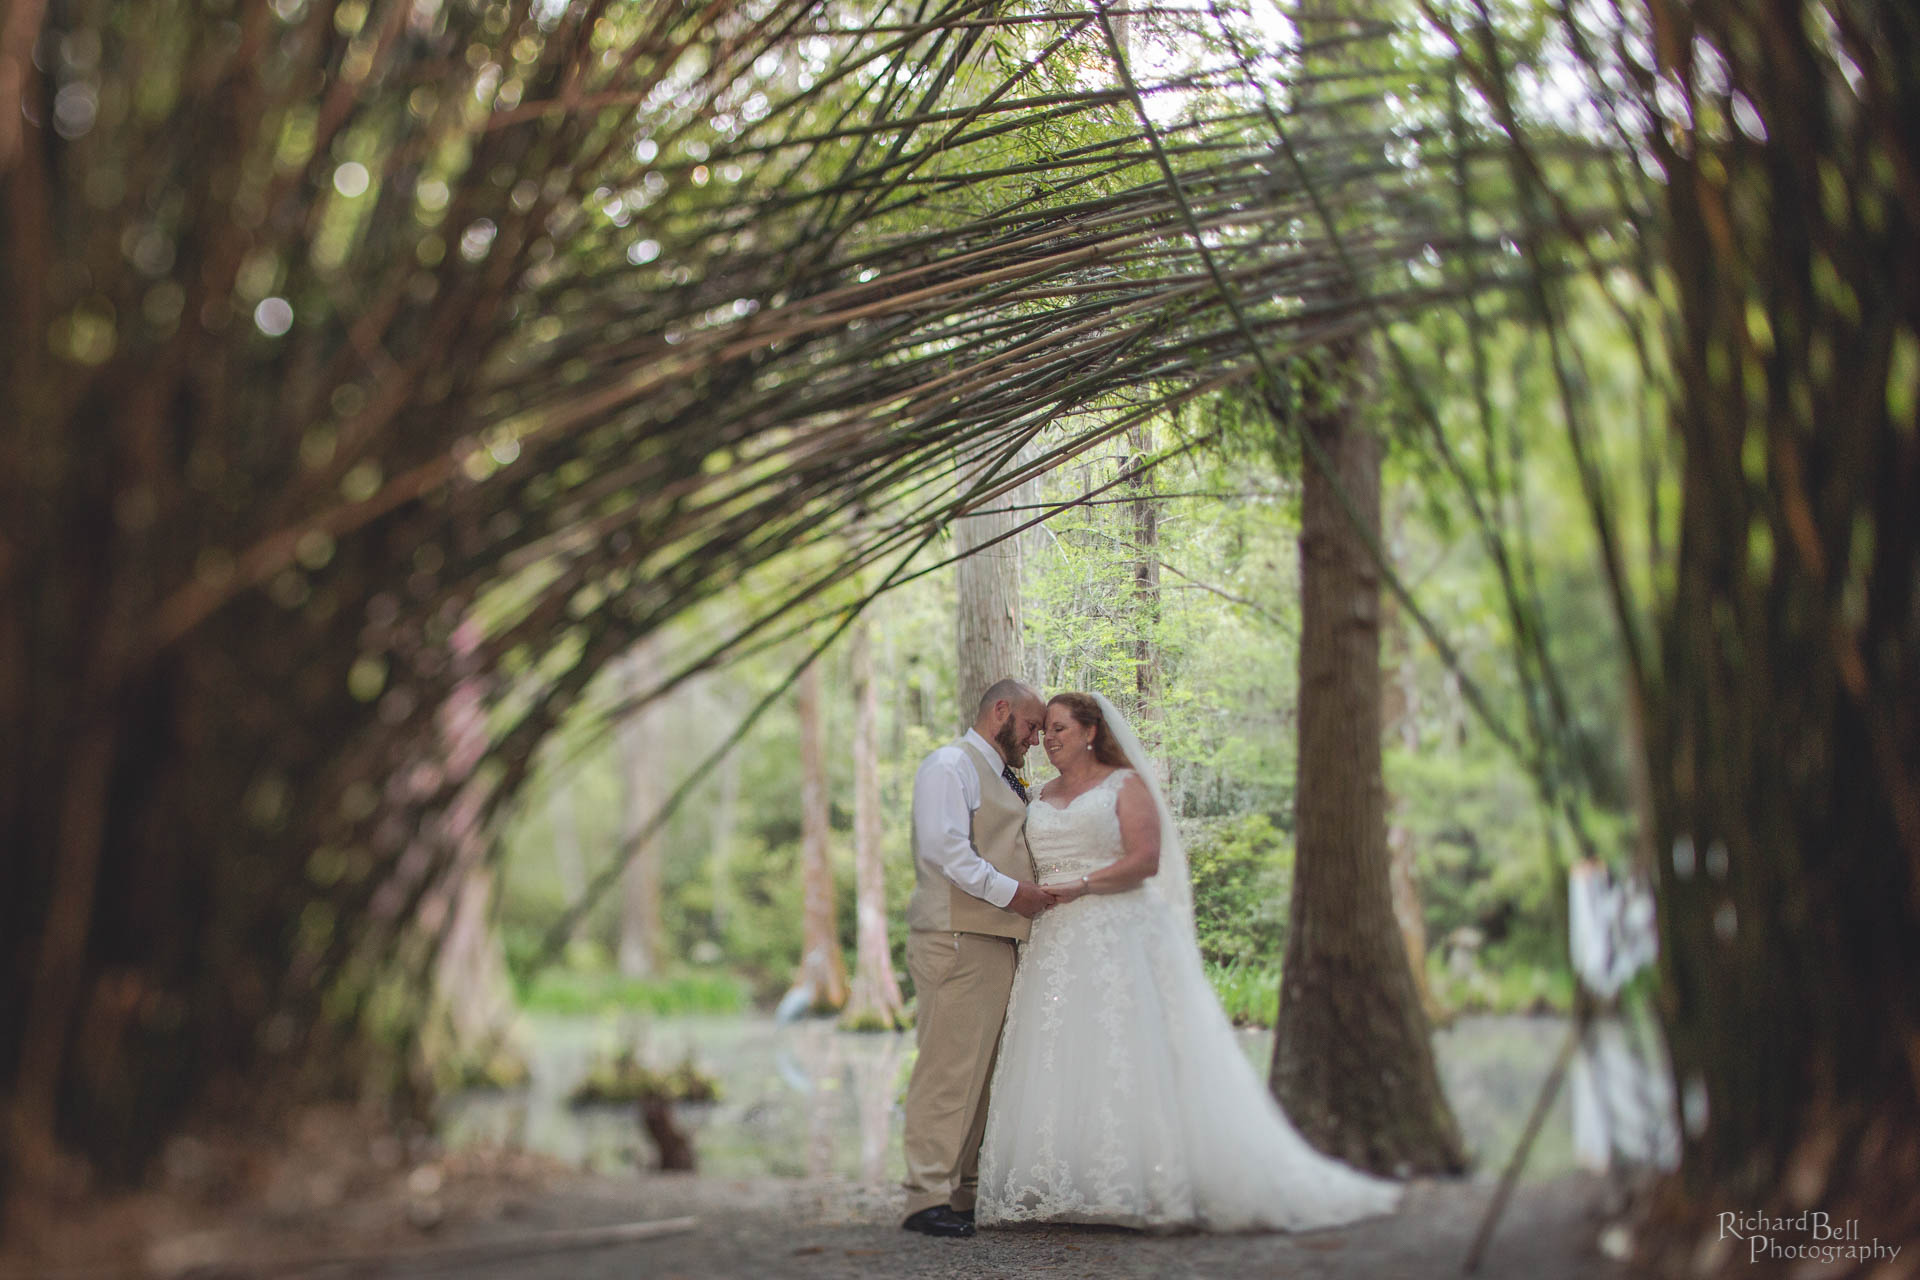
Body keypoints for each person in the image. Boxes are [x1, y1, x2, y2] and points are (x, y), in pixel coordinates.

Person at [977, 691, 1401, 1232]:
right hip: (1056, 943)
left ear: (1090, 731)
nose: (1049, 737)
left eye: (1060, 727)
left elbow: (1145, 861)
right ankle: (1068, 1181)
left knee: (1127, 1048)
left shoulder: (1124, 785)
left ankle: (1139, 1182)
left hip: (1118, 932)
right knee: (1064, 1051)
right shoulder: (1036, 795)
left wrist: (1083, 884)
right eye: (1046, 730)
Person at [899, 679, 1058, 1239]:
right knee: (948, 1069)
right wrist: (1013, 894)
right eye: (1033, 726)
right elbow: (944, 850)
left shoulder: (999, 774)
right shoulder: (950, 765)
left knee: (980, 1072)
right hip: (956, 935)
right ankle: (926, 1197)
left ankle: (960, 1191)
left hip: (990, 937)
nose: (1036, 739)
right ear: (1001, 712)